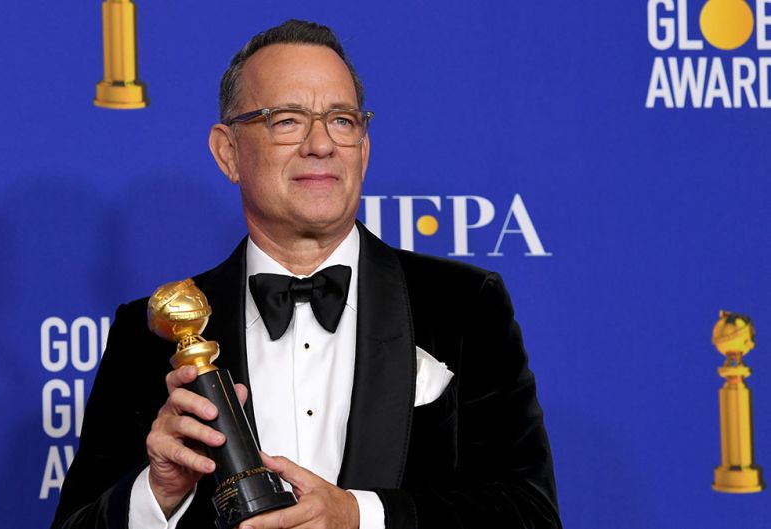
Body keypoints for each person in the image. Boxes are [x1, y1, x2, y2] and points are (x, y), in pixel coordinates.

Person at [52, 19, 561, 529]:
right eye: (287, 120)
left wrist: (360, 515)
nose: (321, 144)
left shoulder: (463, 305)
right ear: (228, 152)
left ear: (364, 148)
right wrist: (157, 493)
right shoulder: (152, 333)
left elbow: (531, 514)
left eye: (341, 120)